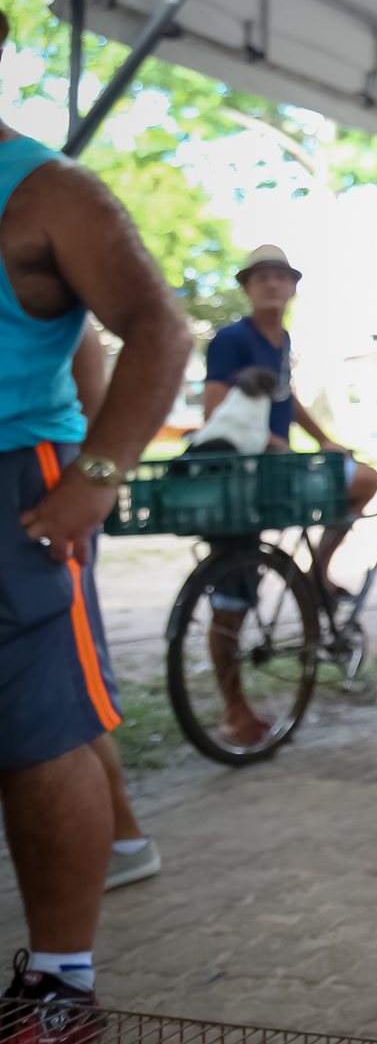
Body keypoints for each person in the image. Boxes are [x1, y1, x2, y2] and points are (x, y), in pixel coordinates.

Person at [1, 91, 190, 1044]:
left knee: (43, 734)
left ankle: (61, 986)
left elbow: (158, 326)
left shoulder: (48, 190)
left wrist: (94, 479)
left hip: (16, 482)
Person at [203, 245, 377, 602]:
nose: (272, 284)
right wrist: (270, 441)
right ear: (246, 288)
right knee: (234, 592)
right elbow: (214, 409)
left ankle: (318, 573)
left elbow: (287, 397)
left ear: (293, 287)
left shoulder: (281, 340)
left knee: (364, 479)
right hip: (243, 470)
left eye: (281, 276)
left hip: (277, 466)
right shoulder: (231, 339)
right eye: (262, 277)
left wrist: (324, 440)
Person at [69, 321, 160, 889]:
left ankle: (123, 834)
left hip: (47, 509)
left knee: (65, 687)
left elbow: (99, 410)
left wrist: (94, 487)